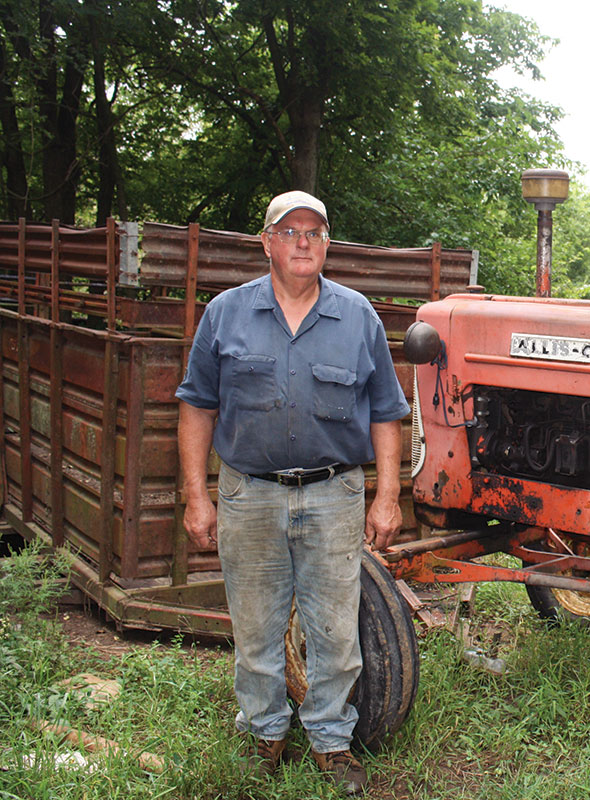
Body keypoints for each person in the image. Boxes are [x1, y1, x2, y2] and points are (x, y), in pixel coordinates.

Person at [176, 190, 410, 796]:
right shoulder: (225, 313)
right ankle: (265, 733)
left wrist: (388, 495)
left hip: (333, 495)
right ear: (267, 242)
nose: (303, 242)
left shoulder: (357, 316)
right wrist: (196, 496)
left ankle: (330, 739)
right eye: (289, 231)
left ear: (327, 244)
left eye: (314, 232)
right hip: (249, 494)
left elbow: (388, 412)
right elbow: (197, 406)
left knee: (335, 629)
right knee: (255, 627)